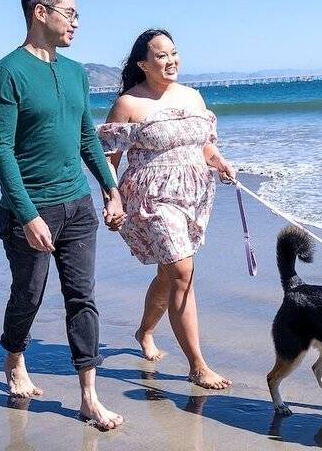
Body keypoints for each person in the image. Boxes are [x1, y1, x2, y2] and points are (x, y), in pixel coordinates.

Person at [0, 0, 125, 429]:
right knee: (28, 293)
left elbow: (87, 135)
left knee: (81, 297)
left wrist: (110, 187)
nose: (77, 23)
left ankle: (88, 394)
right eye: (70, 13)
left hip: (78, 207)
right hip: (32, 209)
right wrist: (27, 215)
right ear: (39, 12)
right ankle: (14, 358)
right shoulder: (9, 73)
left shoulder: (75, 73)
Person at [97, 29, 236, 390]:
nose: (170, 60)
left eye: (174, 53)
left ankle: (144, 331)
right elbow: (108, 159)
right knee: (182, 270)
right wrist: (111, 198)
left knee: (170, 275)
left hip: (193, 194)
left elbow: (203, 145)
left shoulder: (193, 96)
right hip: (150, 197)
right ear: (143, 64)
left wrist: (220, 162)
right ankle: (198, 365)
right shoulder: (129, 103)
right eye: (160, 55)